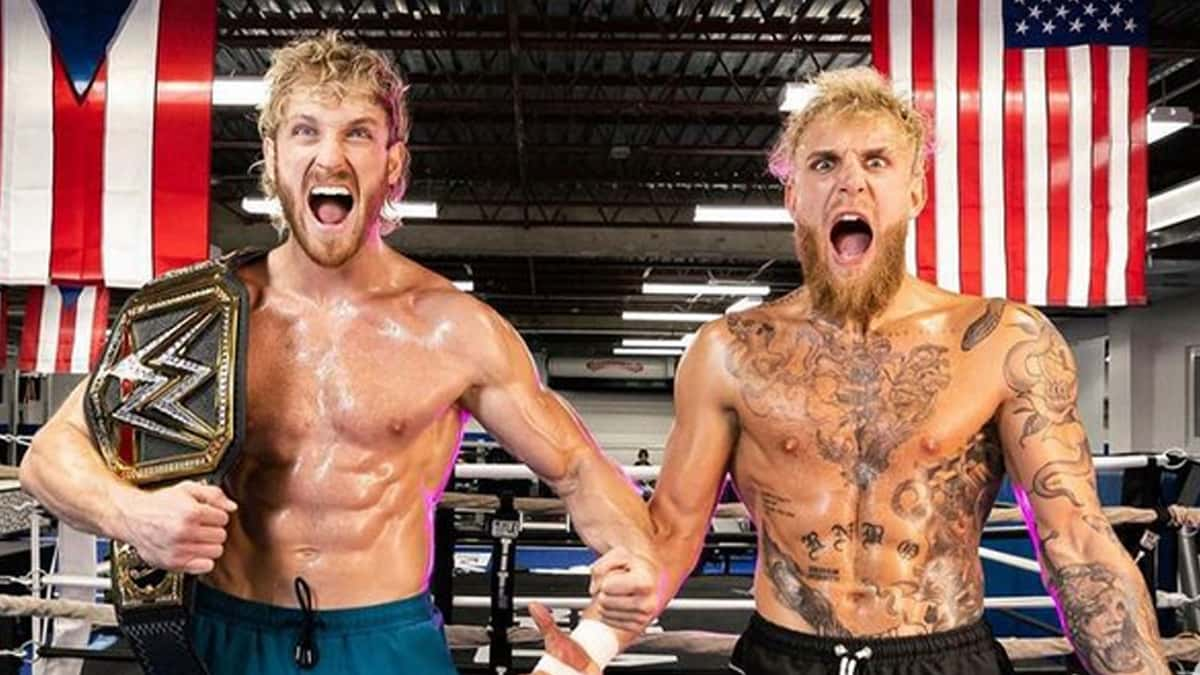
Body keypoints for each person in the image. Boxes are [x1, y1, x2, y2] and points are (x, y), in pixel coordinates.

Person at [19, 32, 660, 675]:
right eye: (305, 132)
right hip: (227, 635)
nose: (330, 158)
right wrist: (132, 515)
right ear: (271, 159)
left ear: (393, 163)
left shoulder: (455, 330)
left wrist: (626, 573)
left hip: (386, 641)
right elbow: (50, 456)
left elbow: (578, 467)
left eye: (357, 133)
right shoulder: (193, 317)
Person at [644, 67, 1169, 675]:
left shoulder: (1001, 341)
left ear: (915, 191)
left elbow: (1077, 541)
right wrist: (594, 638)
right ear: (793, 197)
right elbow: (673, 533)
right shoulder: (729, 351)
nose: (850, 185)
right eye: (823, 165)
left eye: (876, 162)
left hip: (943, 655)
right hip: (784, 657)